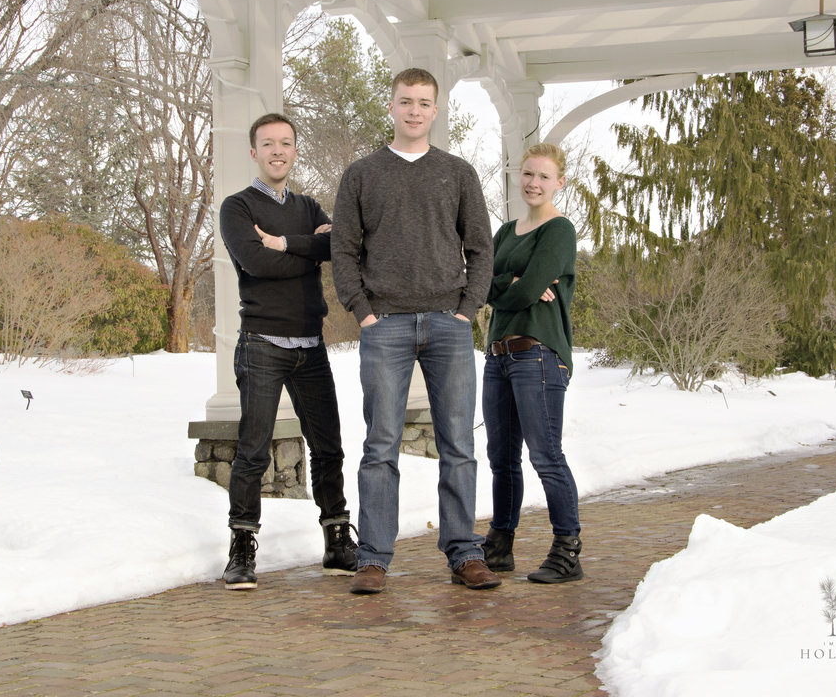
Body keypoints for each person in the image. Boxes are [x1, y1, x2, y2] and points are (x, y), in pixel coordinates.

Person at [331, 67, 498, 593]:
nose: (415, 111)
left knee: (459, 445)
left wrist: (468, 310)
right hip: (386, 326)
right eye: (406, 101)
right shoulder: (362, 174)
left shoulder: (458, 172)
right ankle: (374, 559)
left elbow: (481, 248)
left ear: (436, 109)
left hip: (449, 324)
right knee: (380, 445)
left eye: (425, 103)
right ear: (392, 105)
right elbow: (342, 249)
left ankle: (464, 553)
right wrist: (362, 311)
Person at [217, 113, 357, 590]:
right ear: (254, 151)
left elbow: (339, 247)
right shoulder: (236, 207)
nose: (278, 151)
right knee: (253, 452)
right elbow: (254, 264)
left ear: (295, 150)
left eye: (286, 143)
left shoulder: (309, 206)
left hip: (311, 346)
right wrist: (306, 251)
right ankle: (241, 550)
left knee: (329, 448)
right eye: (268, 144)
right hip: (261, 345)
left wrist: (283, 244)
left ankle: (338, 541)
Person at [480, 143, 583, 584]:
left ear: (560, 182)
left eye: (543, 176)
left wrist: (519, 285)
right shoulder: (505, 232)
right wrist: (511, 281)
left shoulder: (558, 230)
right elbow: (478, 281)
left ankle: (567, 550)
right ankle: (500, 546)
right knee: (501, 459)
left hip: (538, 354)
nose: (533, 183)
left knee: (545, 455)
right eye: (527, 174)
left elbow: (527, 292)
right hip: (498, 355)